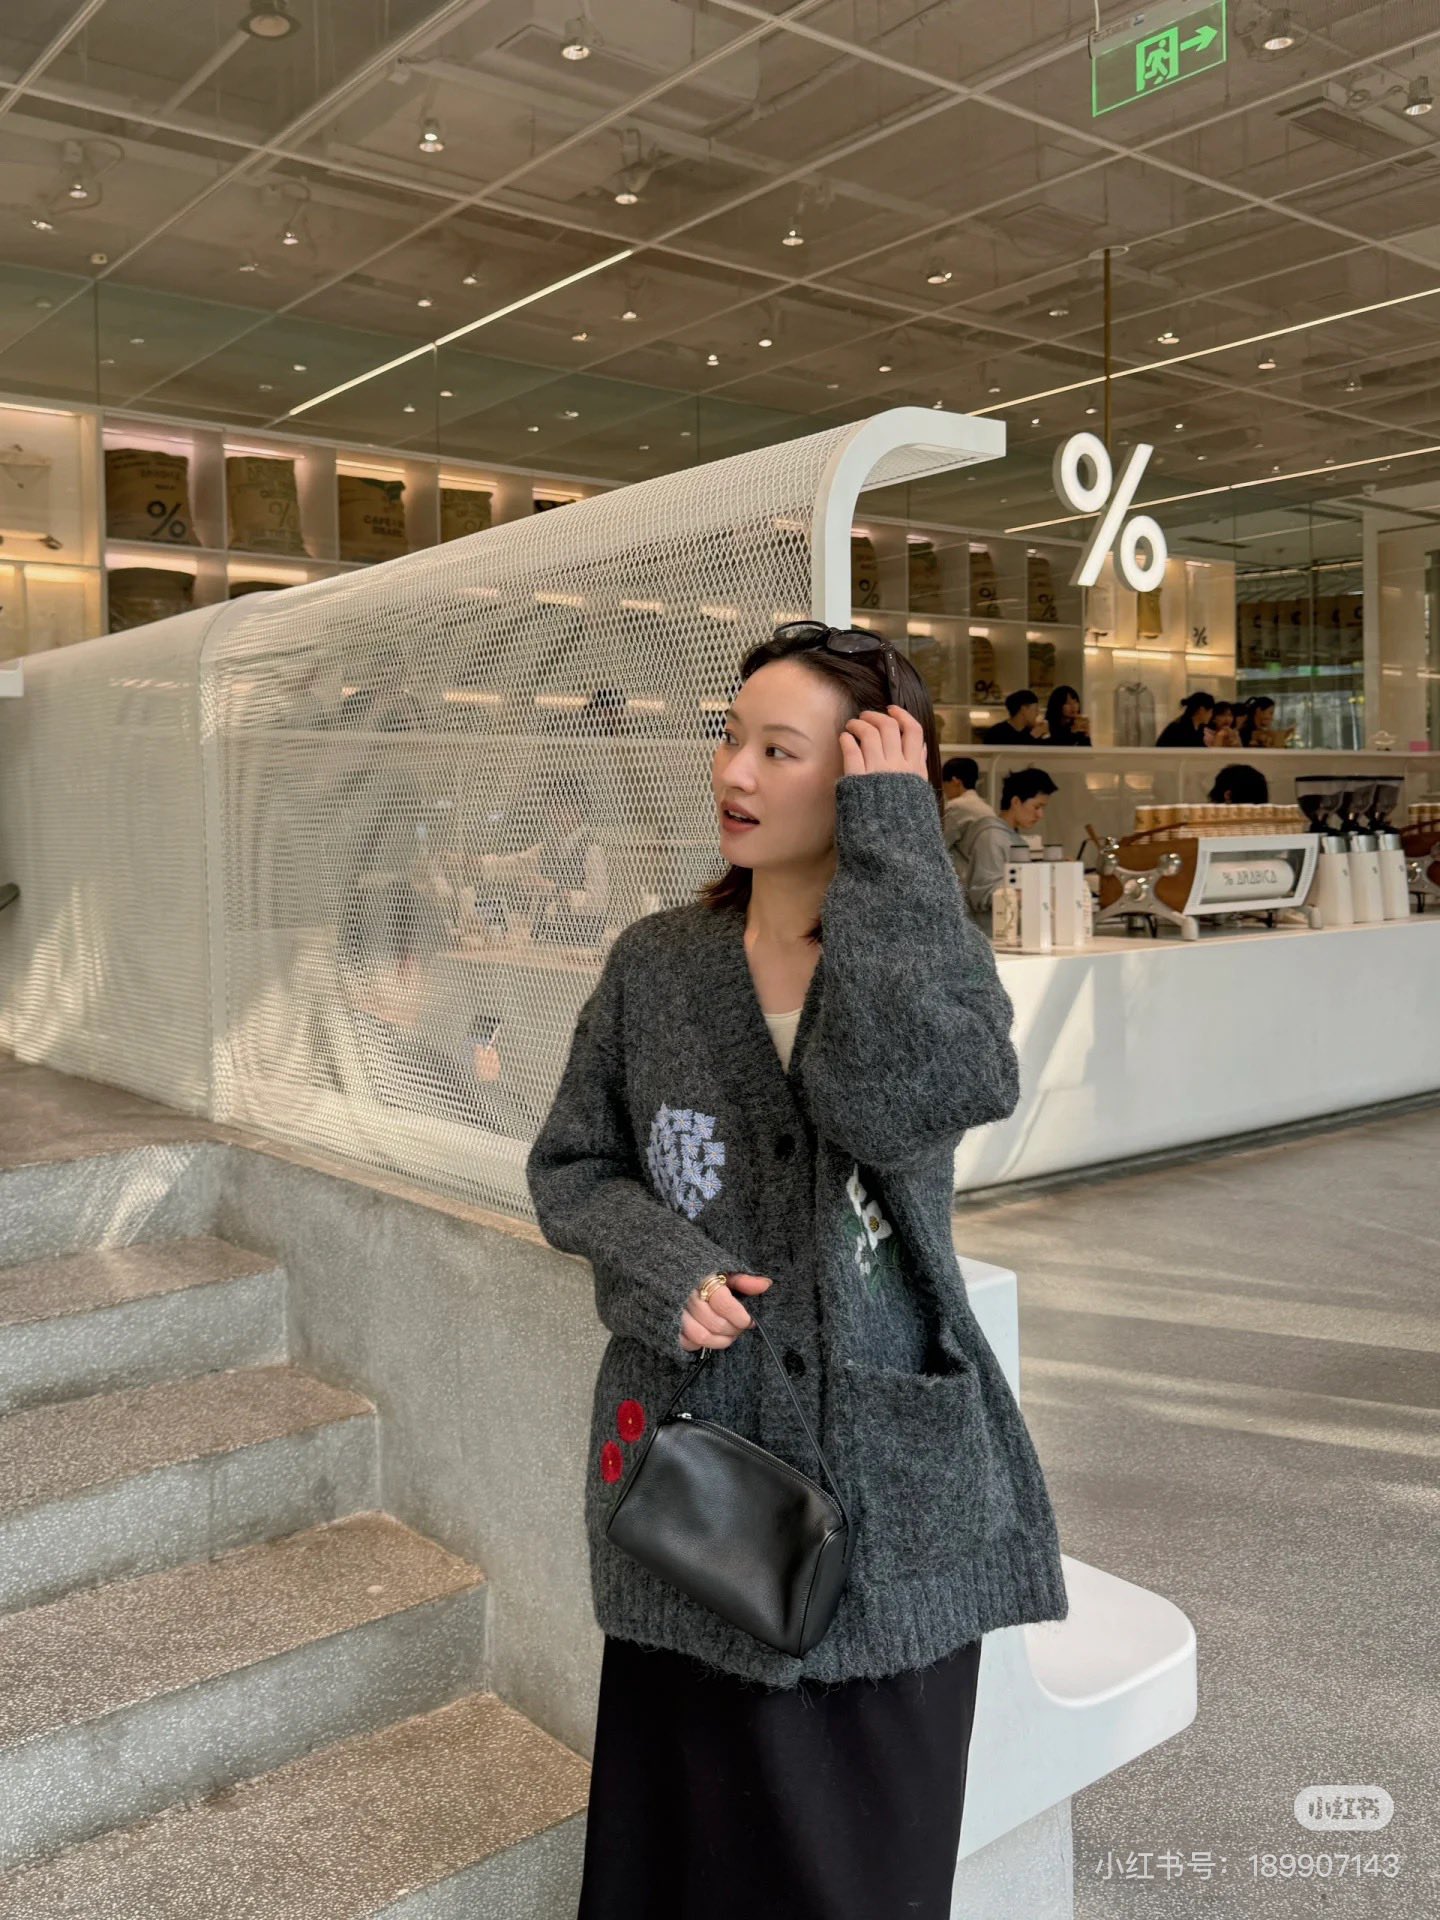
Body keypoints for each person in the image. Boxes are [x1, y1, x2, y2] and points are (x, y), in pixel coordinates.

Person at [527, 620, 1068, 1920]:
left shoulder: (930, 973)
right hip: (697, 1499)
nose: (735, 773)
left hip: (889, 1507)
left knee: (855, 1880)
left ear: (866, 779)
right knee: (683, 1872)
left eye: (781, 751)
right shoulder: (657, 965)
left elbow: (893, 1100)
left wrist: (896, 848)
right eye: (732, 738)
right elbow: (573, 1166)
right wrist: (664, 1265)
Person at [951, 766, 1058, 922]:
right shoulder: (991, 836)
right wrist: (1033, 893)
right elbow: (983, 894)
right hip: (992, 931)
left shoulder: (1013, 838)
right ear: (1016, 801)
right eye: (1037, 807)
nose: (1040, 815)